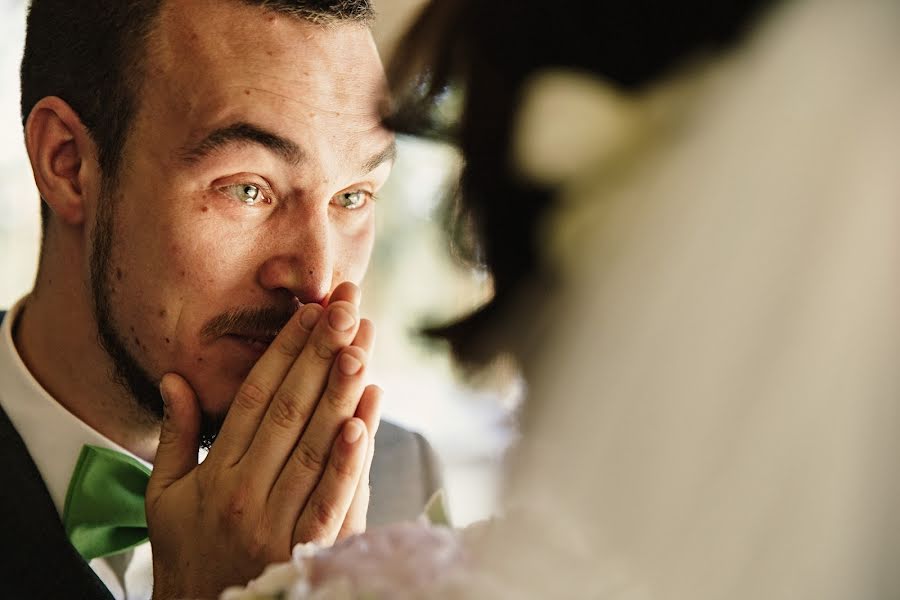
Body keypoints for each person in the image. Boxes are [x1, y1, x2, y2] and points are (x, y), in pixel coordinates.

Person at [0, 1, 441, 599]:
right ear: (68, 163)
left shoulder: (398, 474)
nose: (317, 279)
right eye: (249, 187)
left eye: (353, 197)